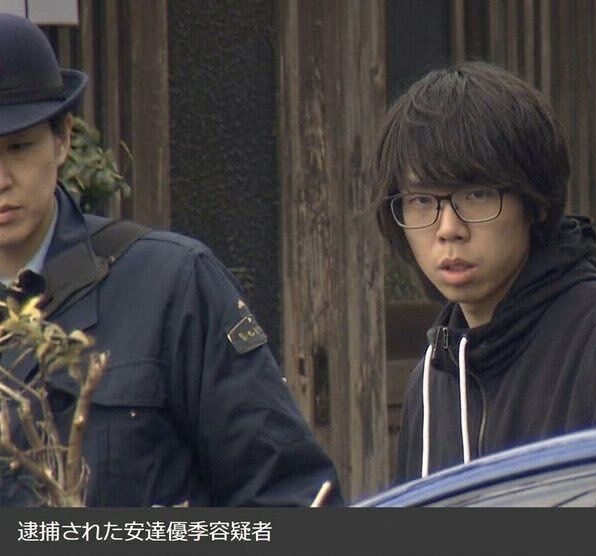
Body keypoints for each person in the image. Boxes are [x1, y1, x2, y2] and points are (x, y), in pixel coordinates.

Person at [0, 13, 341, 506]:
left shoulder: (169, 285)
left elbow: (293, 495)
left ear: (63, 139)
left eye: (18, 148)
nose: (2, 179)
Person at [371, 62, 596, 484]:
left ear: (535, 202)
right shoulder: (433, 377)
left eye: (477, 194)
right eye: (421, 200)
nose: (448, 228)